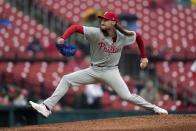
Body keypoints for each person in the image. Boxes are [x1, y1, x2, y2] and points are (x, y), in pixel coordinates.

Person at [29, 11, 168, 118]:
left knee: (127, 96)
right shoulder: (95, 33)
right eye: (102, 19)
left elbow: (138, 37)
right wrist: (62, 38)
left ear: (113, 23)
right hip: (94, 70)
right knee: (67, 79)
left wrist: (144, 57)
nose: (102, 21)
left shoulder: (123, 36)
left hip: (111, 72)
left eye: (106, 20)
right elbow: (75, 27)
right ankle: (47, 107)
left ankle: (155, 108)